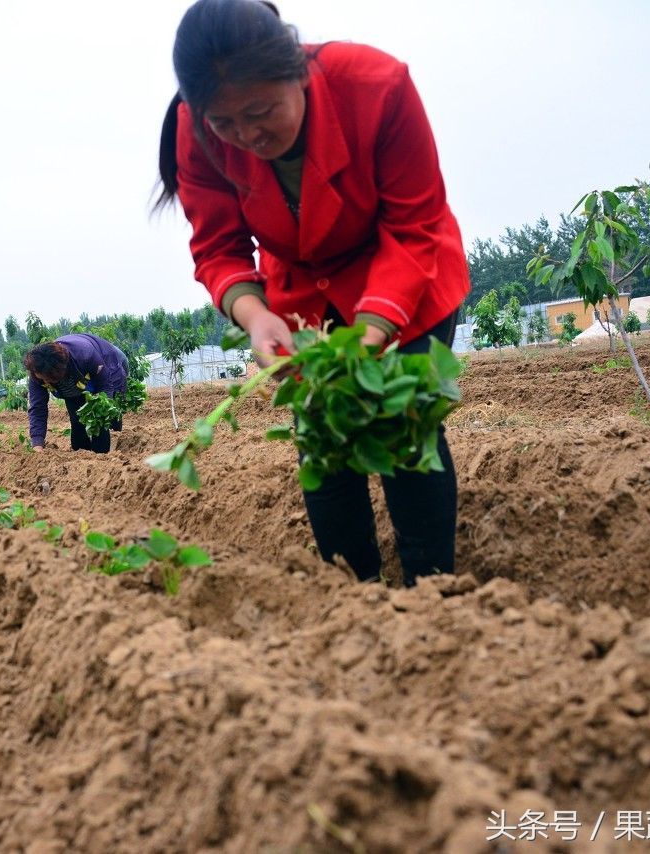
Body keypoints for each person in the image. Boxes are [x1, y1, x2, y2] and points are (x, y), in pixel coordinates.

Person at [156, 0, 471, 586]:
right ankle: (351, 596)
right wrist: (254, 317)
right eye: (224, 124)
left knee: (406, 430)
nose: (247, 136)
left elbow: (414, 225)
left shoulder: (377, 86)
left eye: (260, 111)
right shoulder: (194, 132)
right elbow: (219, 247)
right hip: (300, 295)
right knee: (324, 444)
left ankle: (434, 599)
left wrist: (373, 331)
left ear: (297, 71)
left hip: (406, 273)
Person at [24, 334, 129, 454]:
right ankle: (82, 457)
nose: (45, 382)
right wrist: (37, 443)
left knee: (103, 421)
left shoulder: (85, 355)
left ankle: (109, 454)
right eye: (41, 378)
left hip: (107, 363)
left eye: (48, 378)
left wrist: (101, 413)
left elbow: (105, 385)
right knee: (77, 423)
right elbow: (38, 408)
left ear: (58, 372)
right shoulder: (37, 373)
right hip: (77, 383)